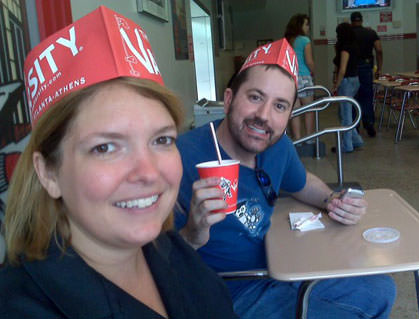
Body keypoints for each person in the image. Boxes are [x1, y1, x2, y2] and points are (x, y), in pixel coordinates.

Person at [0, 6, 238, 319]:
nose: (148, 172)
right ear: (49, 173)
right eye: (106, 147)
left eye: (162, 140)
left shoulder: (167, 247)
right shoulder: (22, 307)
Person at [175, 39, 396, 318]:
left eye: (280, 106)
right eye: (255, 97)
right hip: (224, 295)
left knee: (380, 289)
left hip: (276, 271)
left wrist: (332, 200)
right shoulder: (181, 157)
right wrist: (192, 234)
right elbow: (150, 261)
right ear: (229, 99)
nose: (264, 116)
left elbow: (303, 183)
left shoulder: (277, 146)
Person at [332, 22, 364, 153]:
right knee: (345, 112)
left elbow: (342, 69)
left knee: (345, 115)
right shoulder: (354, 46)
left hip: (346, 81)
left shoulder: (345, 48)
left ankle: (347, 145)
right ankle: (356, 140)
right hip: (355, 80)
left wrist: (336, 84)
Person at [351, 11, 383, 137]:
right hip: (366, 67)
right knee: (367, 96)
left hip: (352, 68)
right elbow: (379, 49)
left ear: (351, 21)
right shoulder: (371, 33)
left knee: (353, 98)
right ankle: (369, 124)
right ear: (362, 20)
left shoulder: (348, 34)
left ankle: (355, 126)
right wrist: (379, 68)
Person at [284, 14, 316, 142]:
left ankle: (297, 139)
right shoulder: (305, 40)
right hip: (304, 77)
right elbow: (309, 61)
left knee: (295, 110)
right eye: (306, 24)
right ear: (300, 26)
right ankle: (309, 138)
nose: (308, 27)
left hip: (290, 78)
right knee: (309, 109)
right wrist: (313, 71)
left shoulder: (287, 40)